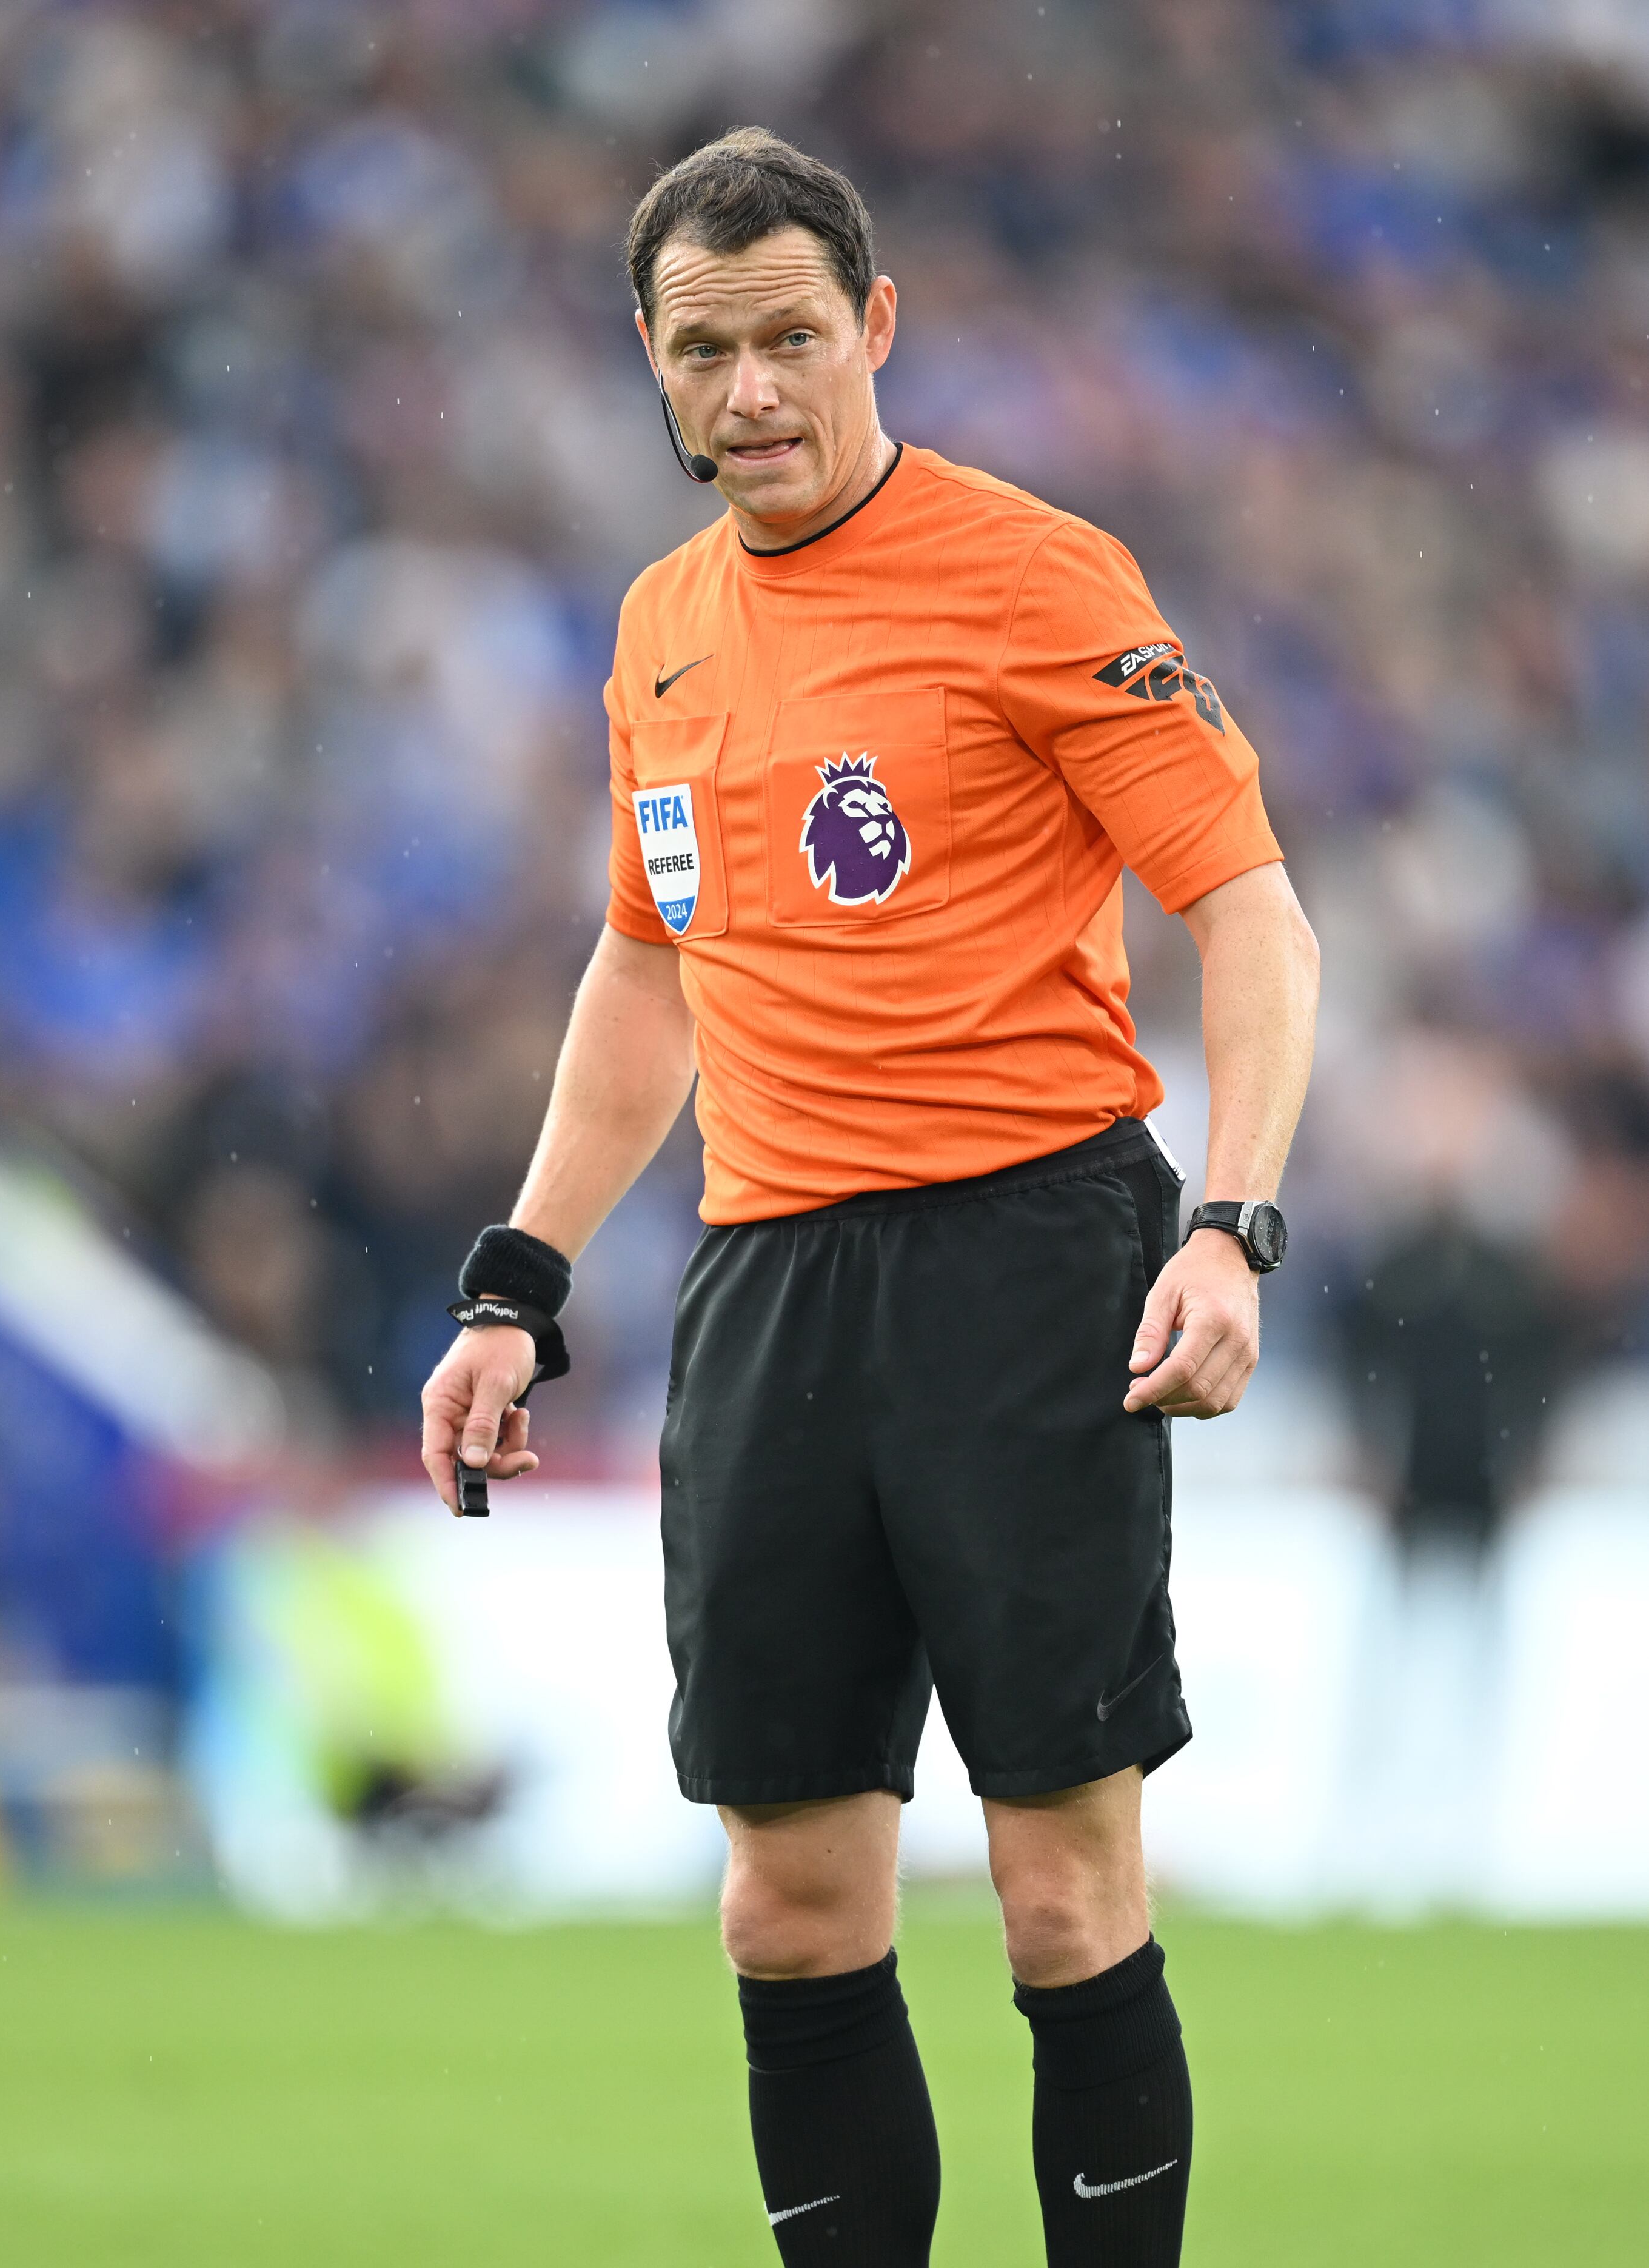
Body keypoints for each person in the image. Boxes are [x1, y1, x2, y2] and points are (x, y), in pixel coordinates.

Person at [420, 129, 1319, 2268]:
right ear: (646, 355)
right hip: (771, 1292)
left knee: (1058, 1888)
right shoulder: (656, 627)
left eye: (793, 339)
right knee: (787, 1901)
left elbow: (1250, 914)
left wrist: (1232, 1219)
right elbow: (653, 966)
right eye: (705, 347)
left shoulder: (1037, 575)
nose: (753, 392)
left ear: (876, 327)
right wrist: (519, 1283)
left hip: (1032, 1261)